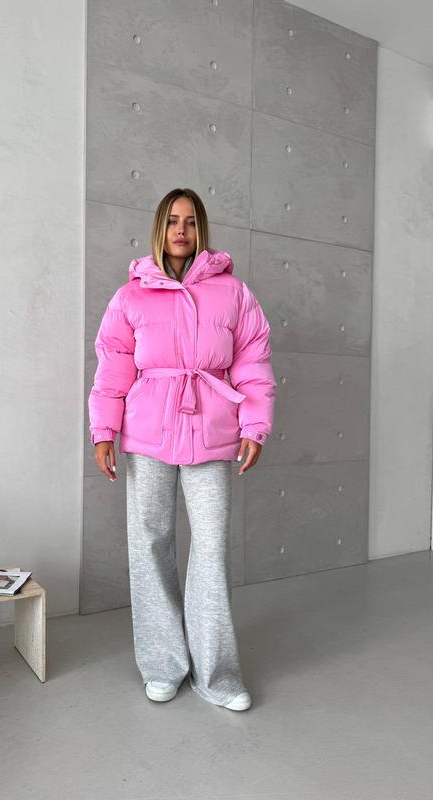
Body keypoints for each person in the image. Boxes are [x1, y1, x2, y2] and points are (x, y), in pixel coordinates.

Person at [88, 188, 277, 712]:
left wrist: (255, 425)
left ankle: (217, 675)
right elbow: (112, 367)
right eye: (173, 220)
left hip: (212, 429)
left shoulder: (233, 293)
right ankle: (163, 664)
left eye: (191, 222)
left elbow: (254, 362)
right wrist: (104, 431)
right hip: (147, 431)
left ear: (201, 230)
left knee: (211, 549)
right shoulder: (130, 297)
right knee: (151, 544)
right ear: (159, 227)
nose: (181, 230)